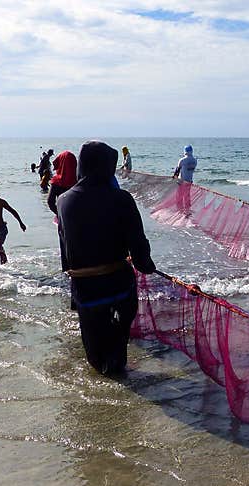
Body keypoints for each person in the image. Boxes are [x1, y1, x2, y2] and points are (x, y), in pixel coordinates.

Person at [57, 140, 156, 376]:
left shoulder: (63, 201)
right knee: (117, 346)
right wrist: (146, 266)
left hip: (84, 290)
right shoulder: (122, 198)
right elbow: (139, 251)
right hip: (119, 286)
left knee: (97, 357)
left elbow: (65, 252)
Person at [47, 150, 78, 222]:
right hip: (77, 217)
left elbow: (50, 202)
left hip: (63, 217)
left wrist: (59, 214)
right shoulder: (78, 182)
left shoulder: (56, 182)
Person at [172, 145, 197, 211]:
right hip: (189, 181)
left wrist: (174, 177)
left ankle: (180, 211)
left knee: (179, 197)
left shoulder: (182, 160)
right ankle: (187, 211)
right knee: (187, 197)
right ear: (192, 151)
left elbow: (177, 171)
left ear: (185, 151)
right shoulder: (195, 161)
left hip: (181, 182)